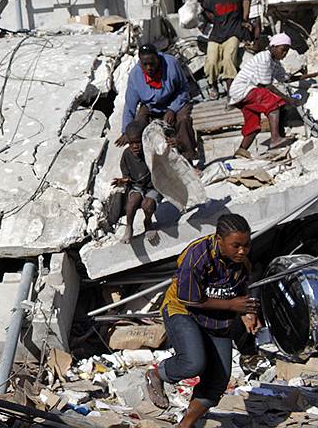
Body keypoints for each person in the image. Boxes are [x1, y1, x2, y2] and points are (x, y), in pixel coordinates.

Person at [145, 214, 260, 428]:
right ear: (219, 239)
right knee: (193, 362)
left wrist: (247, 313)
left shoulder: (242, 264)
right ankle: (157, 373)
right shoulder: (197, 256)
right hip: (183, 311)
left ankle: (186, 424)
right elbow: (191, 299)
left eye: (246, 245)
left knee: (218, 380)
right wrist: (232, 306)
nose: (242, 251)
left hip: (217, 321)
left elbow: (240, 293)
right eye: (236, 246)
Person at [228, 33, 316, 157]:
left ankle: (240, 152)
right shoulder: (264, 58)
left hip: (245, 94)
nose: (284, 54)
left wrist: (311, 75)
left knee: (253, 124)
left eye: (286, 51)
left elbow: (286, 79)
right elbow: (266, 85)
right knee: (274, 100)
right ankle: (275, 139)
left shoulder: (275, 63)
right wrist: (288, 99)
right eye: (282, 50)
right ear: (273, 47)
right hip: (242, 90)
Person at [117, 43, 196, 162]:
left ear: (157, 59)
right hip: (151, 106)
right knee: (139, 126)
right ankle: (148, 162)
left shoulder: (171, 64)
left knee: (183, 119)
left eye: (152, 63)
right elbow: (130, 105)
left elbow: (184, 89)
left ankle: (188, 156)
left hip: (174, 101)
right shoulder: (135, 75)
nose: (149, 67)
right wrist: (125, 131)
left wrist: (172, 109)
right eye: (145, 65)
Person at [202, 0, 251, 99]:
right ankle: (213, 86)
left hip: (233, 33)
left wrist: (244, 19)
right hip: (216, 34)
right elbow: (204, 8)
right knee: (211, 62)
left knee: (229, 59)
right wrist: (211, 18)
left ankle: (231, 91)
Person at [112, 122, 160, 245]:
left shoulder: (150, 151)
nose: (135, 146)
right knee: (132, 201)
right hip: (137, 186)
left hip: (153, 186)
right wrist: (123, 181)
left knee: (147, 204)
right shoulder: (127, 155)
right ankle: (129, 227)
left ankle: (148, 222)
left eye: (138, 142)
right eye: (131, 143)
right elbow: (127, 177)